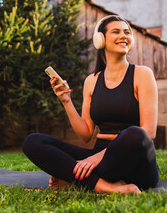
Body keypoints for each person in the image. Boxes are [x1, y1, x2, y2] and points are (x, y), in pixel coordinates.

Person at [22, 15, 159, 194]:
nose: (123, 36)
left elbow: (149, 132)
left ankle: (75, 178)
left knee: (135, 133)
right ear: (100, 39)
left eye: (127, 32)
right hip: (102, 160)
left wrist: (97, 158)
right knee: (33, 141)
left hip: (134, 160)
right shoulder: (91, 81)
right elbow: (86, 134)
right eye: (116, 32)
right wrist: (66, 101)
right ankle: (108, 187)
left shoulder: (142, 74)